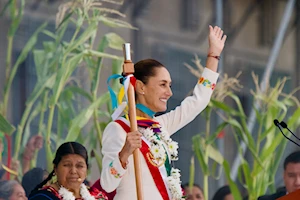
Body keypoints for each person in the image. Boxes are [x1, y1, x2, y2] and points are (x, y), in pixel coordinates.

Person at [101, 25, 227, 200]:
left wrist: (213, 55)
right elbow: (107, 184)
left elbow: (198, 102)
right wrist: (125, 153)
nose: (169, 92)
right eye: (162, 85)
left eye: (170, 85)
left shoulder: (160, 127)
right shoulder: (118, 129)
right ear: (140, 87)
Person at [28, 142, 108, 200]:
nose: (73, 171)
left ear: (86, 170)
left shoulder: (98, 196)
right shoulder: (43, 197)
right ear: (55, 168)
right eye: (67, 165)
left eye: (79, 166)